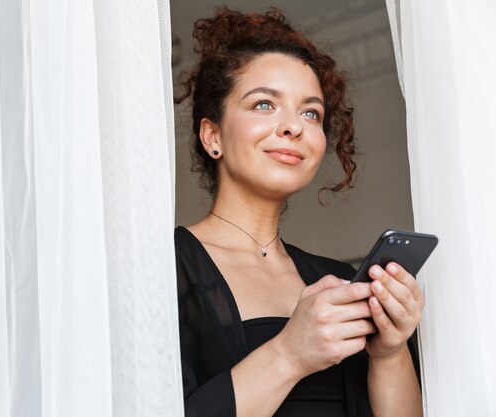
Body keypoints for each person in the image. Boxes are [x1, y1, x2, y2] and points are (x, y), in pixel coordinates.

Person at [174, 7, 424, 417]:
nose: (294, 126)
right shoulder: (163, 270)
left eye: (311, 113)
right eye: (263, 104)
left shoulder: (342, 283)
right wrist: (291, 354)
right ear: (212, 135)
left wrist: (389, 353)